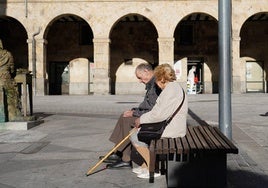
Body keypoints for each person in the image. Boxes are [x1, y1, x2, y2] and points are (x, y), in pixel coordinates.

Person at [130, 63, 188, 179]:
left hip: (173, 129)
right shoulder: (172, 87)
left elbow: (158, 115)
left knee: (134, 136)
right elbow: (158, 111)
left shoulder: (170, 90)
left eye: (156, 79)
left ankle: (153, 168)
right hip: (171, 126)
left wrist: (141, 120)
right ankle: (146, 165)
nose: (156, 83)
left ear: (161, 78)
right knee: (137, 132)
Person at [103, 63, 162, 169]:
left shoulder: (156, 85)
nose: (139, 81)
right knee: (124, 116)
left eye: (140, 77)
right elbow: (147, 106)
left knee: (127, 120)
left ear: (146, 71)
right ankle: (118, 152)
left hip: (155, 119)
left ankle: (126, 159)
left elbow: (153, 110)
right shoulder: (151, 83)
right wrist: (135, 110)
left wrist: (135, 113)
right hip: (150, 115)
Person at [0, 39, 22, 121]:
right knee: (12, 92)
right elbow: (12, 69)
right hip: (5, 79)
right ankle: (13, 114)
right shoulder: (8, 54)